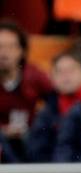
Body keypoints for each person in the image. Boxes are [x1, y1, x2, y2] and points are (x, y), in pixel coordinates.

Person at [0, 21, 51, 159]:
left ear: (21, 50)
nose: (4, 53)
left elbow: (57, 102)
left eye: (11, 47)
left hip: (30, 139)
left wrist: (38, 124)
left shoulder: (35, 75)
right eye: (0, 47)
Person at [26, 51, 81, 162]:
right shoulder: (46, 113)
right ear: (51, 77)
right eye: (59, 72)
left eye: (71, 70)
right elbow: (36, 151)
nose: (66, 76)